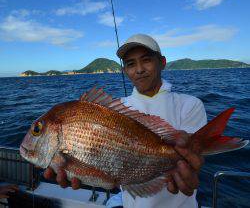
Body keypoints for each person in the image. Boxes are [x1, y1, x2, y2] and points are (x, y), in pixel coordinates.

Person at [44, 34, 206, 208]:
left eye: (146, 60)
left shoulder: (190, 104)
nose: (139, 69)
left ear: (162, 62)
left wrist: (192, 168)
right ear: (125, 71)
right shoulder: (117, 108)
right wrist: (83, 171)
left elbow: (193, 162)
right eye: (130, 64)